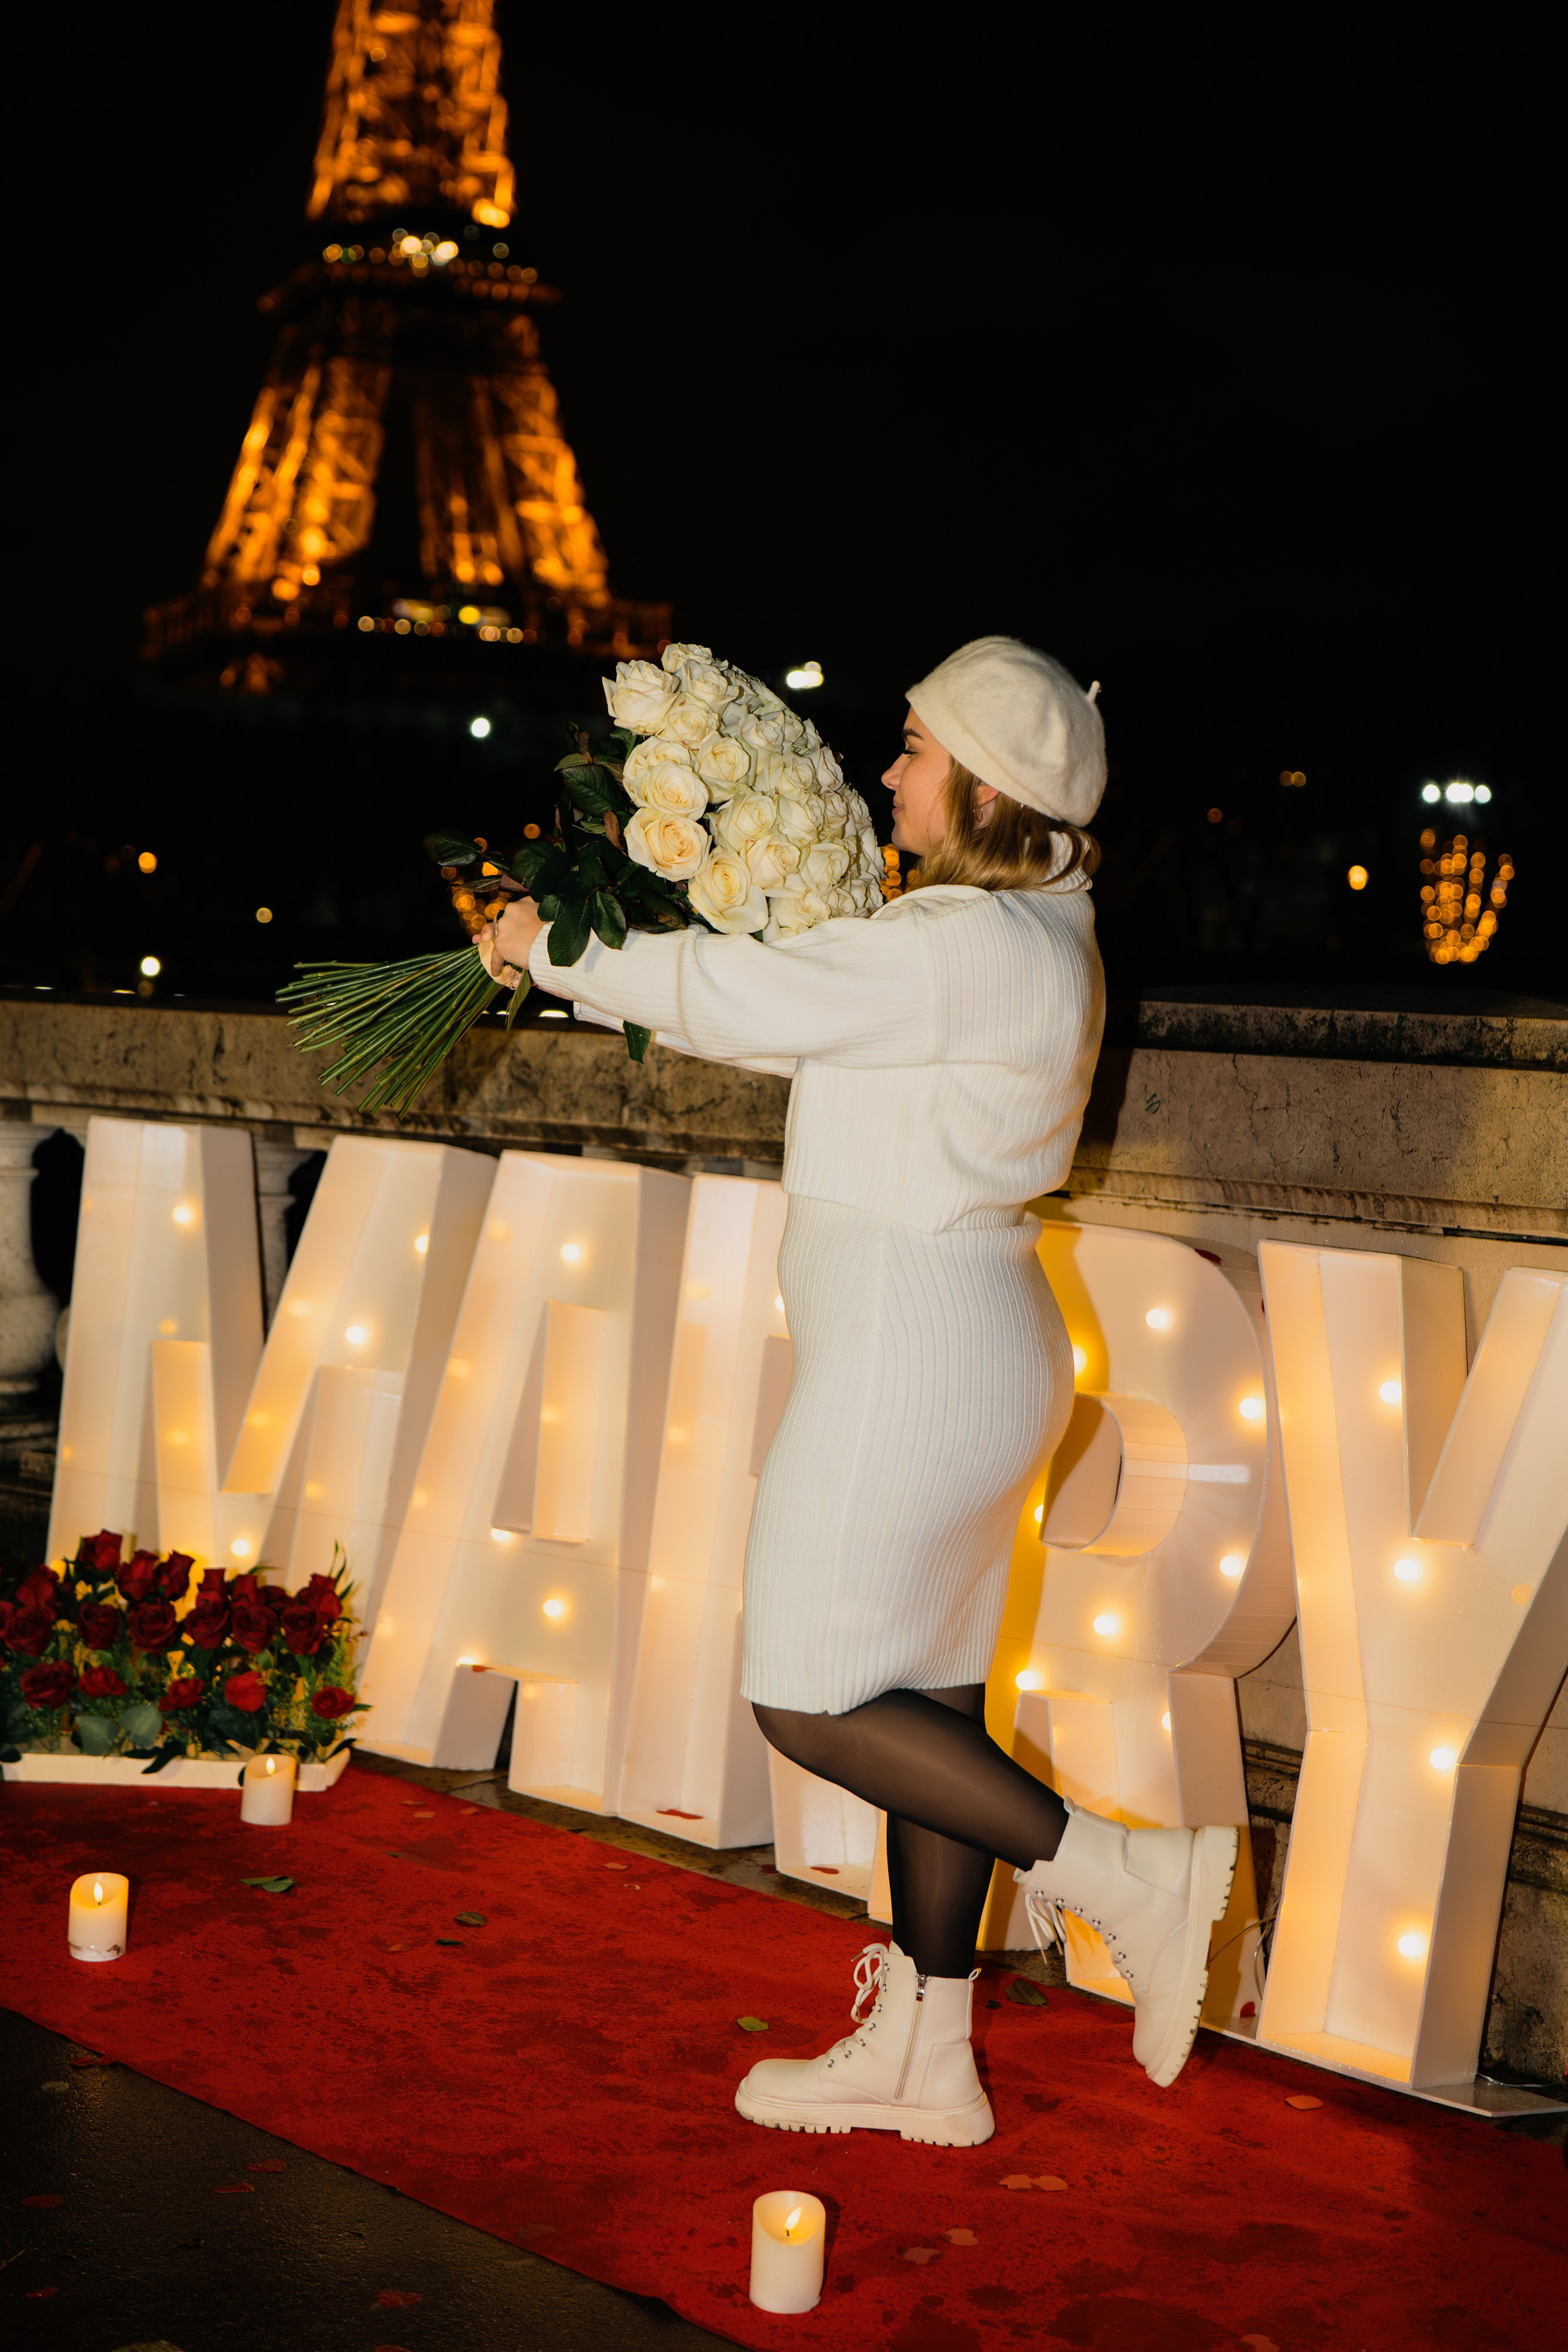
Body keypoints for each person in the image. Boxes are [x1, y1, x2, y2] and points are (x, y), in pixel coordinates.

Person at [481, 636, 1238, 2147]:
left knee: (811, 1695)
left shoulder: (959, 939)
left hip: (908, 1354)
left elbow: (752, 997)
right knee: (933, 1697)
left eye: (911, 748)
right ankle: (927, 2058)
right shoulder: (1031, 935)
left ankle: (1128, 1876)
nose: (887, 772)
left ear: (984, 786)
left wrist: (550, 946)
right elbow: (809, 1030)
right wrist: (610, 976)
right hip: (974, 1348)